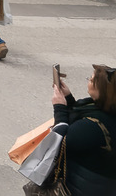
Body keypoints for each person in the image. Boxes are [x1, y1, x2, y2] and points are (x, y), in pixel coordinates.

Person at [50, 64, 116, 195]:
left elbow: (61, 140)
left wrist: (59, 108)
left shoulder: (94, 126)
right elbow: (81, 115)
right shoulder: (106, 109)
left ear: (103, 90)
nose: (88, 82)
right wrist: (68, 98)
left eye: (91, 80)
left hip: (84, 186)